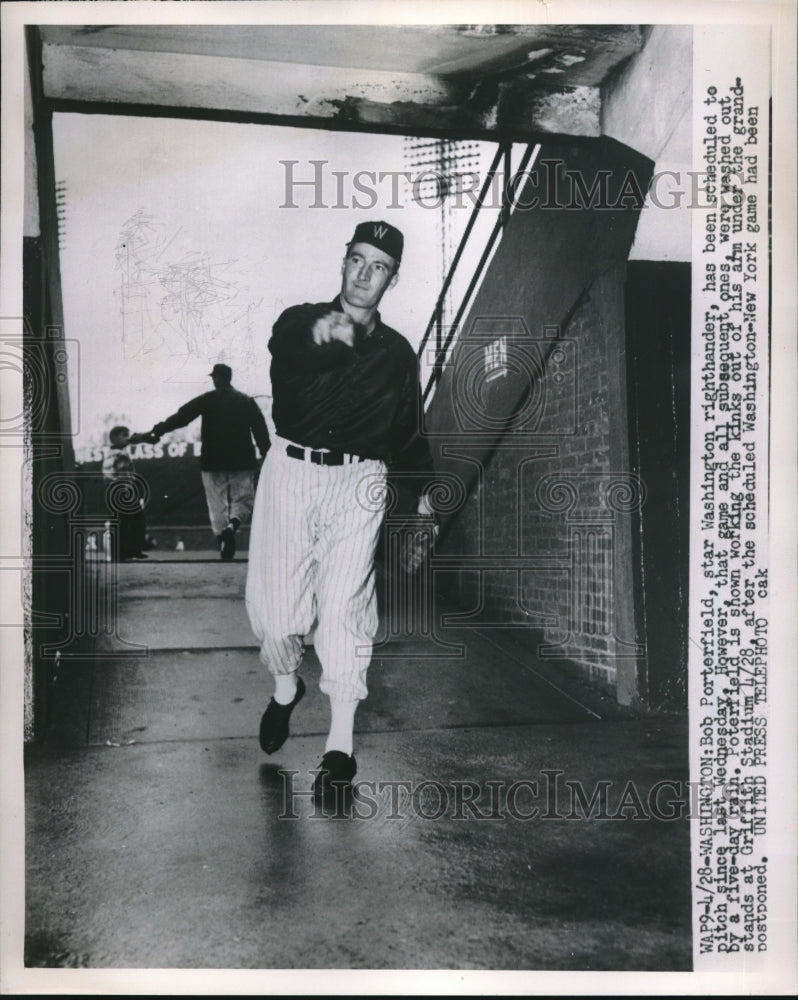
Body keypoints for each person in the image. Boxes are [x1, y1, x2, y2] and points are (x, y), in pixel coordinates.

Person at [246, 220, 437, 804]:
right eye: (357, 259)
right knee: (277, 615)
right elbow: (298, 349)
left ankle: (339, 746)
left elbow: (407, 433)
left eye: (378, 267)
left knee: (345, 606)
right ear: (343, 261)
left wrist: (424, 501)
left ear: (392, 279)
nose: (363, 274)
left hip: (360, 480)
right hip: (293, 470)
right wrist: (342, 330)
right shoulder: (298, 321)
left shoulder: (399, 354)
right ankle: (285, 690)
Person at [142, 364, 271, 561]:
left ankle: (222, 537)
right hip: (242, 459)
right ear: (230, 377)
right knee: (243, 499)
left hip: (213, 459)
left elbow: (181, 417)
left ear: (216, 378)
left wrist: (157, 431)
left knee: (216, 503)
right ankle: (232, 526)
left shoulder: (207, 399)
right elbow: (260, 430)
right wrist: (266, 454)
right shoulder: (246, 400)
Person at [102, 425, 149, 561]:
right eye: (124, 435)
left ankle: (122, 553)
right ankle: (133, 550)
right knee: (135, 521)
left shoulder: (111, 453)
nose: (128, 438)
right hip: (122, 490)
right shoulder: (120, 454)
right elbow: (124, 474)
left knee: (122, 522)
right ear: (114, 438)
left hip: (113, 490)